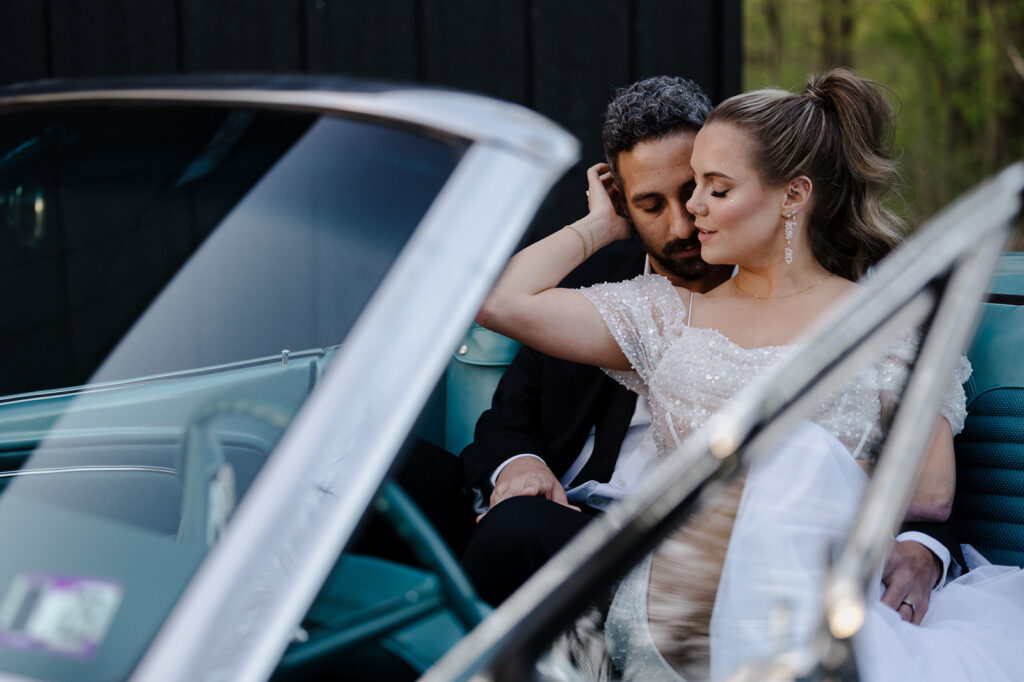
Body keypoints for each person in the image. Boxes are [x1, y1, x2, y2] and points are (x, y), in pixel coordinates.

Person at [475, 67, 1024, 680]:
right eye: (694, 188)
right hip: (669, 594)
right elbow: (500, 300)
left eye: (716, 188)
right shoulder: (665, 314)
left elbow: (930, 495)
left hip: (812, 591)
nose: (692, 211)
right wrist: (601, 226)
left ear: (793, 196)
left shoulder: (889, 321)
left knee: (803, 460)